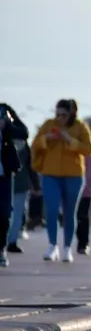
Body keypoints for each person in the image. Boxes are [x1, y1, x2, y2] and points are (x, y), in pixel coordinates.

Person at [30, 99, 91, 263]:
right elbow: (35, 143)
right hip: (50, 174)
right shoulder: (49, 124)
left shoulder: (80, 127)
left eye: (64, 115)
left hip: (73, 175)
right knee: (51, 209)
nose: (60, 118)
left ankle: (67, 248)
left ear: (71, 114)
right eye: (57, 114)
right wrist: (47, 138)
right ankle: (52, 246)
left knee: (69, 212)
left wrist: (69, 140)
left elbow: (88, 149)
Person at [0, 104, 30, 268]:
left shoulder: (4, 110)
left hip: (3, 174)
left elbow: (23, 133)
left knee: (4, 213)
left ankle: (1, 249)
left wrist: (7, 125)